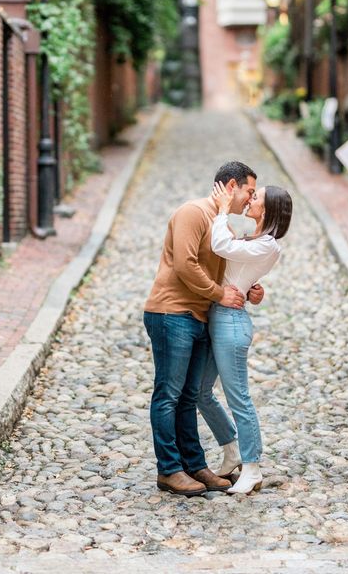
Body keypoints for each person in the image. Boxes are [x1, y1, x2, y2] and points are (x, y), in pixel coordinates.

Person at [143, 161, 265, 497]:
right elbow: (185, 264)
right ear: (230, 187)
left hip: (199, 317)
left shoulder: (223, 224)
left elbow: (229, 271)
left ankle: (194, 465)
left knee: (187, 397)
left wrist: (250, 288)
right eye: (249, 192)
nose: (250, 199)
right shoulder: (193, 213)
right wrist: (219, 294)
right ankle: (169, 469)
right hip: (171, 313)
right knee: (168, 394)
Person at [198, 181, 293, 495]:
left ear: (267, 210)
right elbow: (224, 226)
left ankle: (251, 468)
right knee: (200, 391)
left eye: (256, 197)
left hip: (231, 323)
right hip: (217, 315)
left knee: (239, 397)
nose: (250, 199)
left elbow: (221, 244)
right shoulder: (251, 230)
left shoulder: (268, 244)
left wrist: (224, 210)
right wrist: (223, 205)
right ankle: (232, 448)